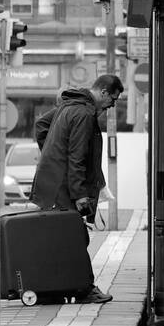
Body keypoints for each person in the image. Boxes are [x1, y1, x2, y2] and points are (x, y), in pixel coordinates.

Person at [30, 74, 125, 304]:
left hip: (53, 183)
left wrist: (52, 157)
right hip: (64, 189)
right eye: (112, 99)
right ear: (103, 92)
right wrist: (80, 194)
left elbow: (41, 126)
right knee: (75, 238)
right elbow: (77, 157)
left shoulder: (68, 105)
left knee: (61, 239)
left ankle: (48, 290)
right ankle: (84, 289)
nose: (112, 105)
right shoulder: (83, 113)